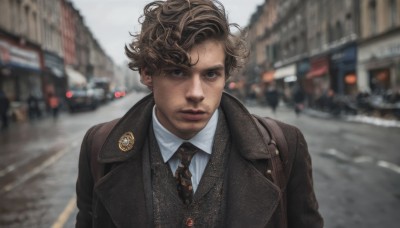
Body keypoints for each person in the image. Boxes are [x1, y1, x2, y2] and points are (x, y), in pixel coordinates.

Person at [75, 1, 323, 227]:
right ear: (147, 73)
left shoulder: (284, 146)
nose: (196, 93)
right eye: (177, 72)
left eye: (210, 74)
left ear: (225, 75)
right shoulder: (99, 147)